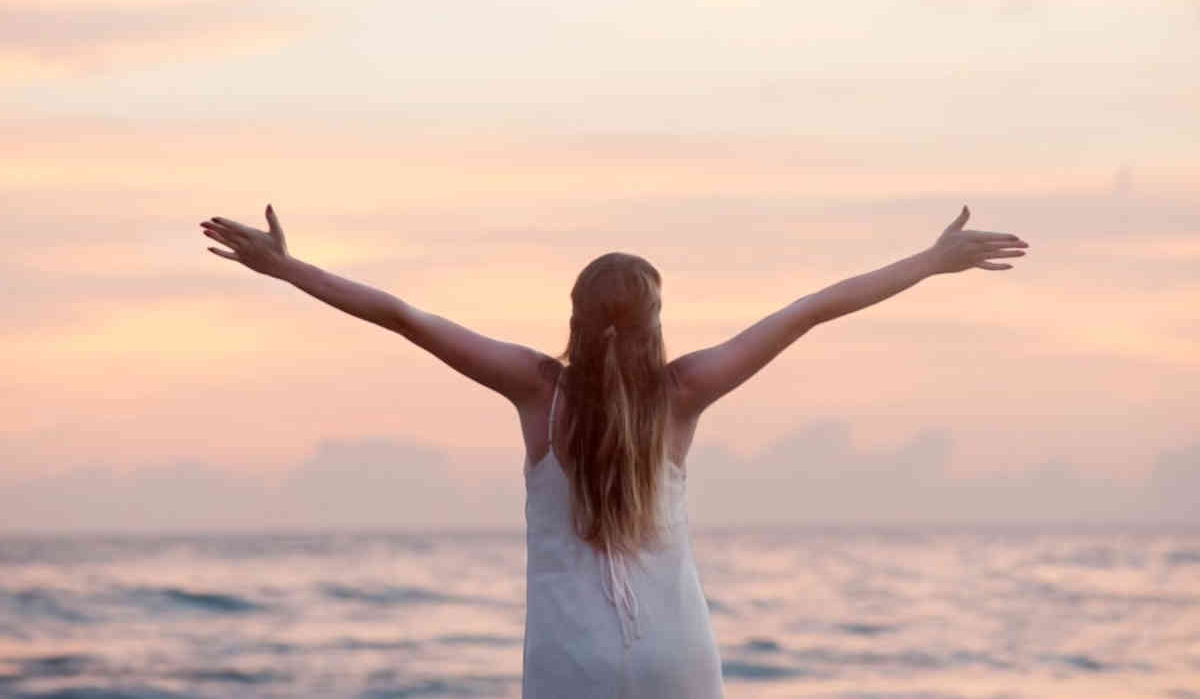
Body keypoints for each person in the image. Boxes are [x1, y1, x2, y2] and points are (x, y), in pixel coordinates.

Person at [199, 203, 1028, 697]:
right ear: (657, 318)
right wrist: (929, 262)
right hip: (675, 652)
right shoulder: (687, 390)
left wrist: (288, 268)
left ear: (574, 311)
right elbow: (812, 308)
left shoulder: (536, 390)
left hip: (571, 662)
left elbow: (404, 316)